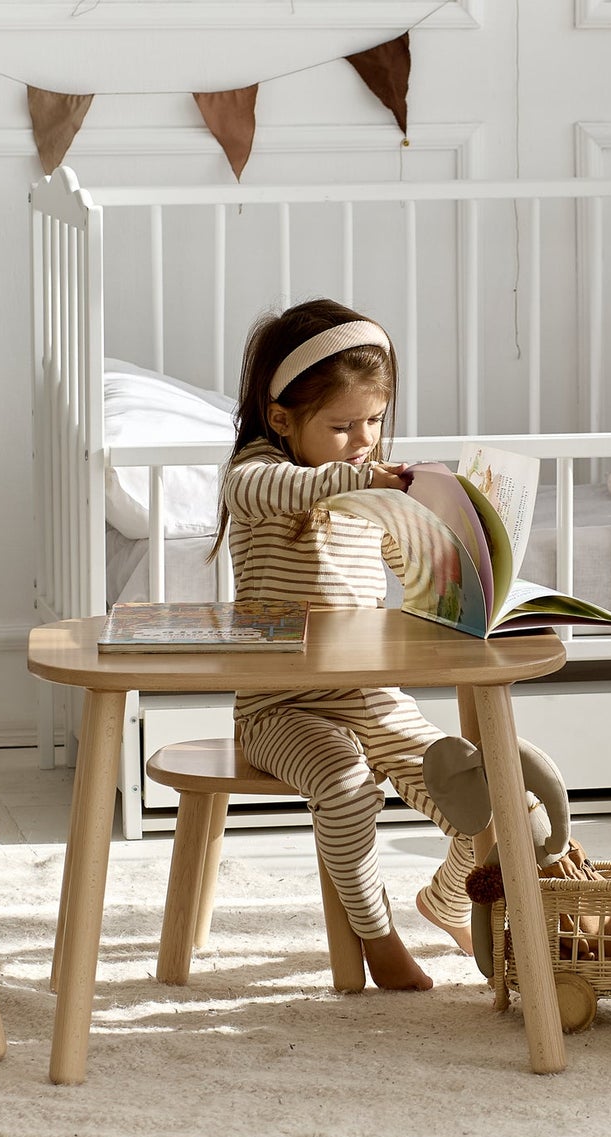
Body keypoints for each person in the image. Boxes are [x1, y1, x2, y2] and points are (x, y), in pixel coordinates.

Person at [210, 299, 474, 991]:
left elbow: (416, 575)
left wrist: (441, 538)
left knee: (478, 791)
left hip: (368, 692)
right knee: (346, 784)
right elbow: (270, 489)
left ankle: (448, 898)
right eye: (342, 425)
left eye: (375, 421)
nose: (363, 440)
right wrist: (361, 479)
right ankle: (376, 933)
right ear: (281, 418)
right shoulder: (258, 474)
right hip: (279, 707)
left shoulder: (366, 485)